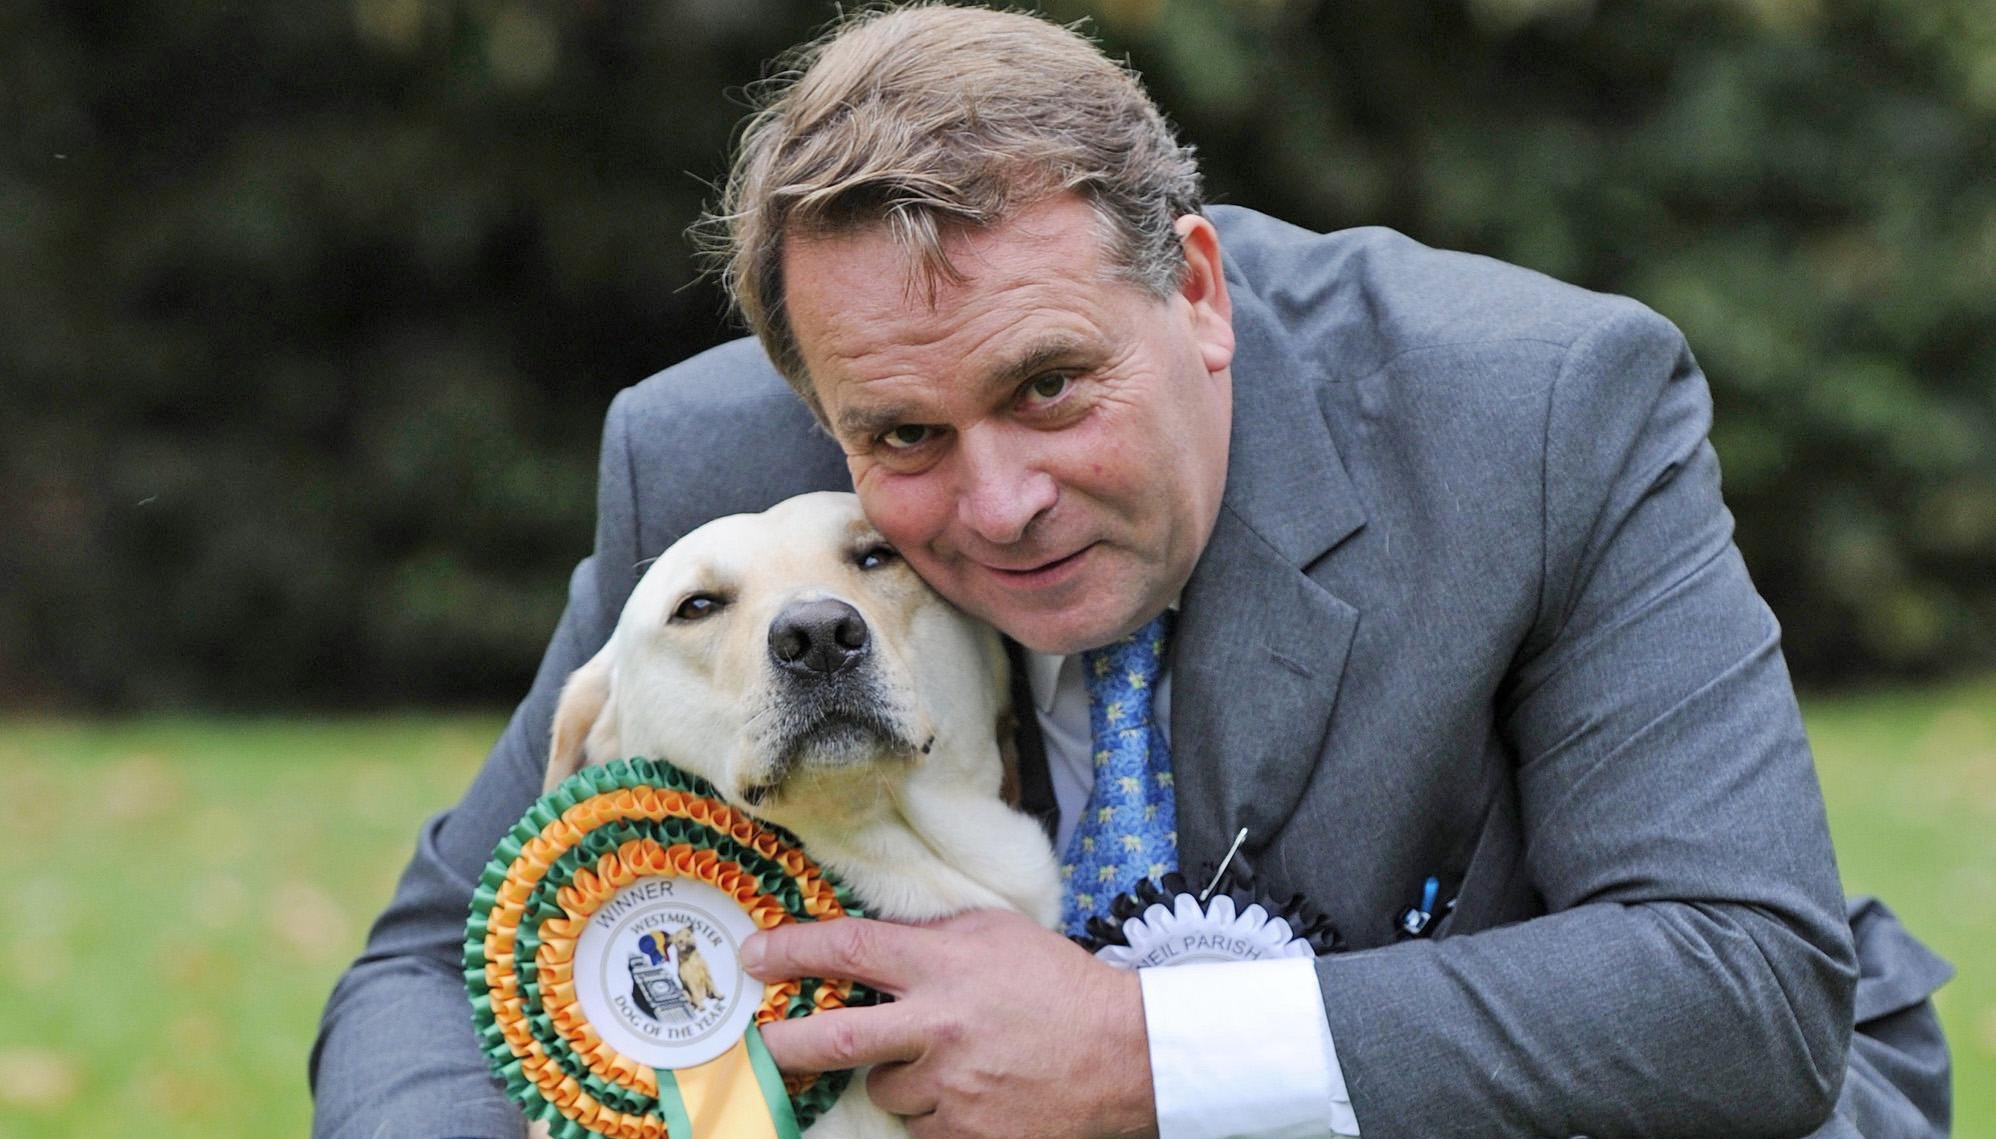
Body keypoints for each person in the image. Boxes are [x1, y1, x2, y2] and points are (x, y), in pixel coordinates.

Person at [310, 6, 1953, 1138]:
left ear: (1198, 290)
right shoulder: (709, 477)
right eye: (900, 440)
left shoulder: (1539, 406)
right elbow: (426, 974)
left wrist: (1142, 1057)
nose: (1003, 501)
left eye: (1050, 386)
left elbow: (1740, 979)